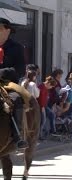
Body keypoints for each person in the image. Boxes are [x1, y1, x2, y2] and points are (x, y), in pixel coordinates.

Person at [0, 17, 28, 149]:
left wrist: (3, 72)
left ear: (8, 30)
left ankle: (17, 135)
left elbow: (21, 69)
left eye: (0, 28)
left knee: (15, 99)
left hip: (8, 83)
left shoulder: (17, 48)